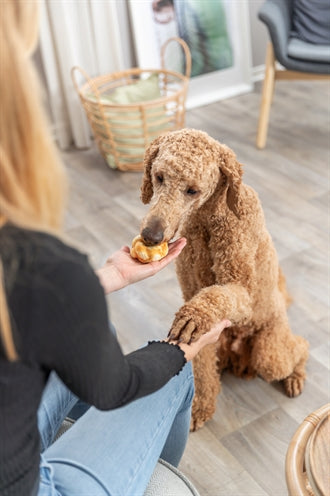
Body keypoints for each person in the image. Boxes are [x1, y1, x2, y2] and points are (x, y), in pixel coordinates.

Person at [0, 2, 231, 496]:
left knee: (98, 327)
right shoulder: (36, 265)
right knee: (172, 372)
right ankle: (148, 479)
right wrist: (177, 350)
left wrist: (104, 280)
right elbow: (116, 385)